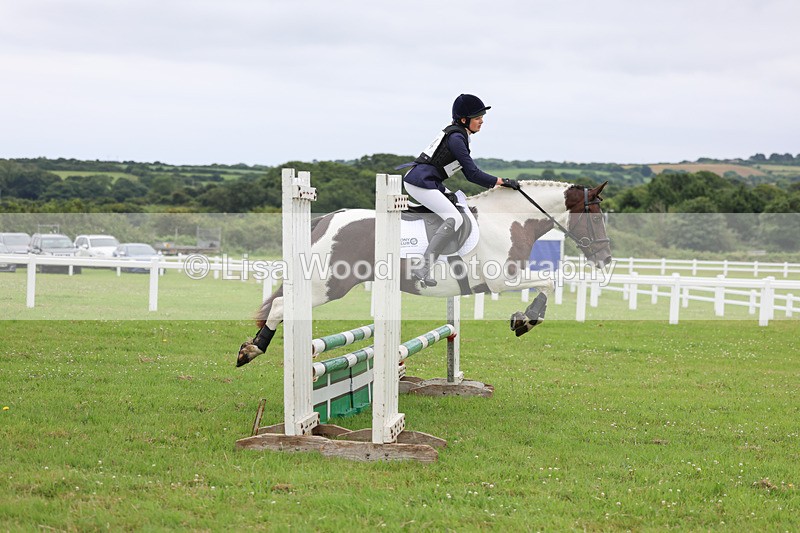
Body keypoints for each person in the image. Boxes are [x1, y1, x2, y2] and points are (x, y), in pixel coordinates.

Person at [402, 93, 520, 287]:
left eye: (482, 117)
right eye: (478, 118)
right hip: (420, 182)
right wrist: (501, 181)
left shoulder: (459, 135)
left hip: (430, 181)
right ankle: (423, 267)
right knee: (454, 218)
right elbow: (472, 174)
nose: (482, 121)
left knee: (460, 205)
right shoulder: (457, 138)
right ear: (464, 120)